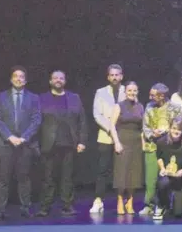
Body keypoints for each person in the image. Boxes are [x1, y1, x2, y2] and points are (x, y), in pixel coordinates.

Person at [0, 66, 42, 220]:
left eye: (21, 77)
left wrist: (24, 137)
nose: (18, 79)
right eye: (16, 76)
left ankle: (25, 208)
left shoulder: (34, 98)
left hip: (25, 144)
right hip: (5, 143)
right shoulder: (0, 97)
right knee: (3, 178)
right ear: (11, 79)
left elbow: (36, 119)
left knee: (24, 177)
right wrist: (9, 136)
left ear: (25, 80)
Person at [36, 70, 87, 217]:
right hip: (49, 144)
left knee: (68, 178)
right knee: (48, 178)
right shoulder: (42, 98)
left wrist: (82, 141)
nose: (58, 80)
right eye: (55, 78)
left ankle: (67, 206)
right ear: (50, 81)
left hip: (70, 144)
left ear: (65, 81)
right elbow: (37, 122)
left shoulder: (74, 98)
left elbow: (82, 121)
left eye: (61, 78)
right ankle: (45, 207)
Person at [139, 83, 182, 215]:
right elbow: (145, 127)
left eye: (153, 95)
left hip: (169, 147)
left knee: (167, 177)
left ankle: (166, 205)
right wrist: (153, 134)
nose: (150, 97)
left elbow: (180, 126)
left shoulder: (175, 108)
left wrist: (167, 132)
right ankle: (149, 205)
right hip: (152, 145)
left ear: (162, 95)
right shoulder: (149, 107)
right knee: (151, 178)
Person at [90, 64, 126, 213]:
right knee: (102, 170)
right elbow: (97, 114)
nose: (115, 77)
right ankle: (98, 200)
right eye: (112, 75)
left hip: (123, 136)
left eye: (117, 75)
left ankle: (122, 200)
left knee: (122, 170)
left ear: (121, 76)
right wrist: (111, 129)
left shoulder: (127, 90)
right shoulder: (101, 92)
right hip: (105, 136)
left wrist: (120, 132)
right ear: (108, 77)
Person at [110, 81, 145, 215]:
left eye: (134, 90)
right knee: (121, 172)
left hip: (136, 142)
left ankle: (130, 201)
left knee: (134, 173)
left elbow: (142, 128)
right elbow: (112, 125)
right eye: (129, 90)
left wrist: (142, 143)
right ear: (125, 92)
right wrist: (116, 142)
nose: (132, 93)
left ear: (137, 92)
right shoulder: (119, 106)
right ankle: (120, 200)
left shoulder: (140, 106)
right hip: (123, 140)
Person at [153, 118, 182, 219]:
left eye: (179, 129)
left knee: (178, 213)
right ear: (169, 128)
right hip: (167, 176)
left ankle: (178, 202)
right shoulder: (161, 142)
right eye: (173, 128)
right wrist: (162, 168)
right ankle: (162, 204)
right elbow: (159, 157)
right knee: (162, 183)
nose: (176, 131)